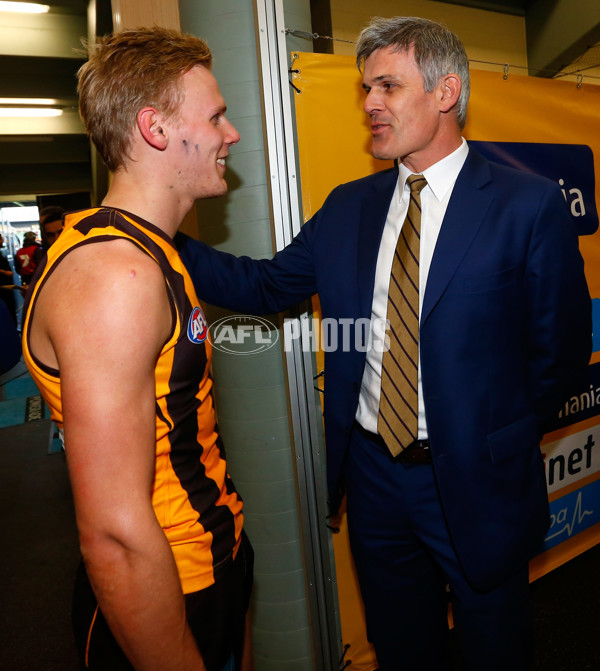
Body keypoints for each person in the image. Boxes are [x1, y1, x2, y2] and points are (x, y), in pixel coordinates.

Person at [176, 16, 592, 671]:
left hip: (480, 478)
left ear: (446, 91)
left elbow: (560, 353)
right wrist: (152, 227)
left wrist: (496, 434)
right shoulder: (350, 207)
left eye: (389, 86)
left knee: (496, 646)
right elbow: (261, 286)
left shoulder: (526, 204)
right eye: (366, 88)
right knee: (402, 647)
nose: (370, 103)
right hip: (373, 477)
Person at [22, 27, 252, 671]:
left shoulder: (150, 253)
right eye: (214, 116)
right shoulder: (115, 277)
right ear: (155, 129)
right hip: (167, 587)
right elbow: (117, 536)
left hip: (212, 561)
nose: (230, 134)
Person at [0, 232, 17, 325]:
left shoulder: (1, 255)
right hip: (4, 290)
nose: (2, 240)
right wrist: (4, 272)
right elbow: (10, 273)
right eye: (1, 238)